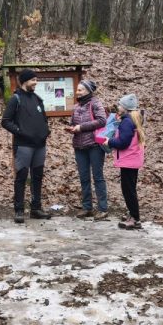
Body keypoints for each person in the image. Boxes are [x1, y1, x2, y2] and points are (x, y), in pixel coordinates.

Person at [1, 69, 52, 223]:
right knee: (21, 177)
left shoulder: (37, 99)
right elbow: (5, 121)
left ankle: (36, 208)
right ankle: (19, 210)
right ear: (24, 81)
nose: (35, 83)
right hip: (23, 145)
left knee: (37, 177)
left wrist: (45, 131)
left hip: (40, 145)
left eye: (36, 80)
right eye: (33, 80)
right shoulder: (16, 99)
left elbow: (44, 120)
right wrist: (20, 132)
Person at [66, 80, 109, 220]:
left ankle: (102, 208)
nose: (78, 92)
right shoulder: (77, 106)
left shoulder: (95, 103)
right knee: (84, 178)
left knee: (98, 177)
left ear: (88, 91)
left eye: (81, 90)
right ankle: (87, 207)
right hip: (79, 146)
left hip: (94, 145)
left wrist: (82, 127)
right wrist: (72, 128)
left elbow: (102, 120)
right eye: (77, 90)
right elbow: (74, 123)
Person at [105, 93, 146, 229]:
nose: (118, 106)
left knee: (128, 190)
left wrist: (109, 141)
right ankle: (132, 214)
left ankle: (135, 218)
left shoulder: (127, 122)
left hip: (128, 160)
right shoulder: (134, 119)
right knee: (130, 188)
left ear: (125, 108)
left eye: (120, 105)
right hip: (133, 159)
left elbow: (123, 142)